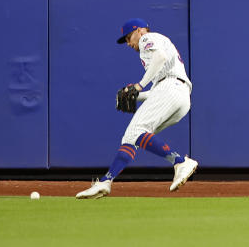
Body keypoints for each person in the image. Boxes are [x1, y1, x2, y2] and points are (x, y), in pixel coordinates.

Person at [75, 18, 198, 199]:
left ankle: (180, 162)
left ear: (140, 31)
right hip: (179, 96)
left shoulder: (147, 38)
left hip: (171, 88)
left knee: (137, 130)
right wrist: (135, 95)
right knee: (132, 136)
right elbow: (156, 92)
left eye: (128, 37)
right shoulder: (156, 48)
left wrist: (139, 86)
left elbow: (160, 59)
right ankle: (105, 181)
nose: (128, 43)